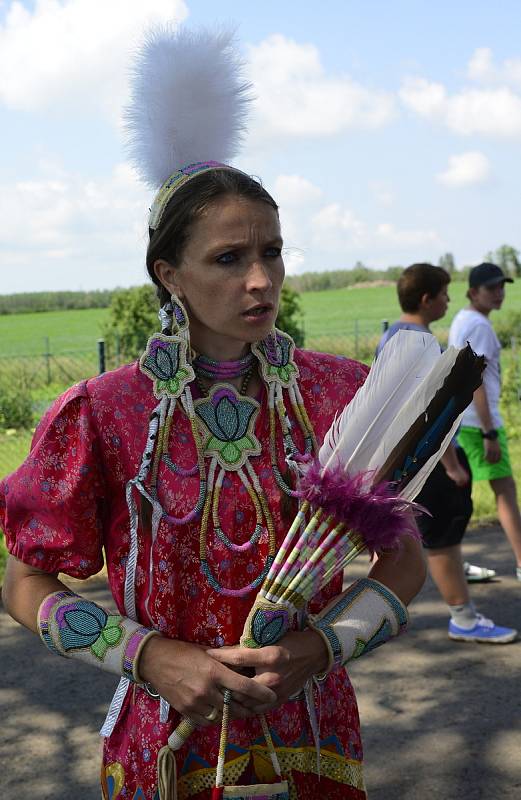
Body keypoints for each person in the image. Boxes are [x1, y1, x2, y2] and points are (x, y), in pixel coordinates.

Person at [0, 28, 426, 800]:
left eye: (273, 250)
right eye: (229, 258)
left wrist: (321, 647)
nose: (261, 280)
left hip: (315, 732)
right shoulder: (102, 412)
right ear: (169, 274)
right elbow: (25, 583)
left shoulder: (341, 395)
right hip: (164, 740)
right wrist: (150, 657)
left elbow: (403, 561)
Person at [376, 263, 516, 644]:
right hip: (428, 458)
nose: (448, 302)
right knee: (444, 535)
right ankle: (464, 618)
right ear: (427, 299)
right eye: (444, 295)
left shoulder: (391, 334)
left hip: (395, 456)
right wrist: (452, 464)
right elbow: (431, 416)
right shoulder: (423, 343)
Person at [449, 262, 521, 584]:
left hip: (467, 421)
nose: (499, 293)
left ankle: (454, 561)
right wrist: (490, 431)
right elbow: (474, 379)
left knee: (461, 493)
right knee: (505, 489)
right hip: (481, 423)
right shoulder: (478, 325)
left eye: (501, 286)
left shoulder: (463, 319)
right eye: (491, 288)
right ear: (473, 292)